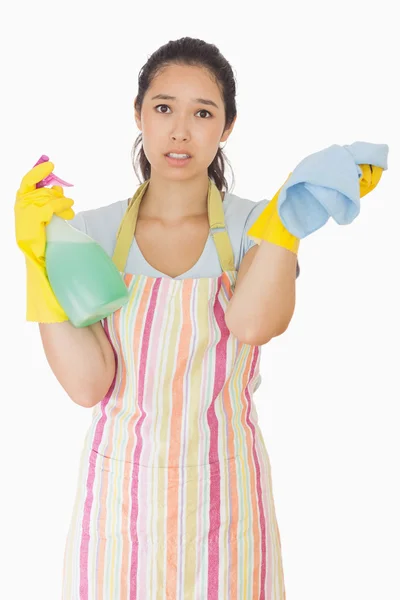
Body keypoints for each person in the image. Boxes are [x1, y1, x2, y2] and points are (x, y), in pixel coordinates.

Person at [15, 37, 301, 599]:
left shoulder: (259, 225)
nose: (179, 131)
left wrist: (286, 228)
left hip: (227, 494)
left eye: (203, 113)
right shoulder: (89, 235)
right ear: (139, 113)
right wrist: (39, 260)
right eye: (164, 108)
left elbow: (256, 326)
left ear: (228, 127)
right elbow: (87, 384)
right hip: (122, 502)